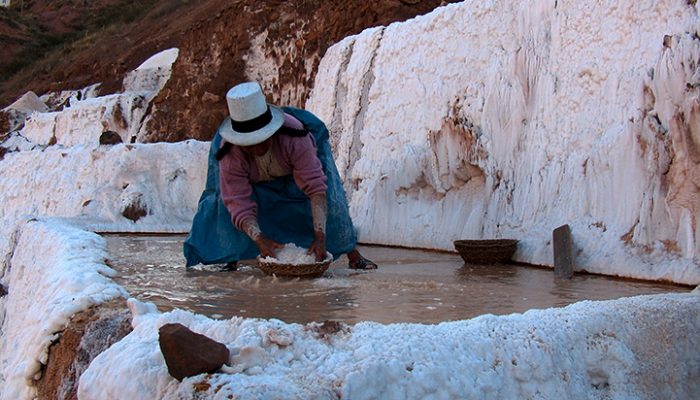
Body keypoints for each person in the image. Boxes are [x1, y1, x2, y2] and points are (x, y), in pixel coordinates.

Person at [183, 81, 377, 270]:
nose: (256, 148)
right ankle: (231, 256)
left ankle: (352, 253)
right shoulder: (229, 152)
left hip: (296, 169)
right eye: (249, 143)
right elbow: (237, 200)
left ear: (272, 131)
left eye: (261, 140)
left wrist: (320, 236)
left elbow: (315, 188)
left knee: (331, 201)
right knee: (222, 203)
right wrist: (259, 238)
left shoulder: (295, 137)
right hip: (253, 180)